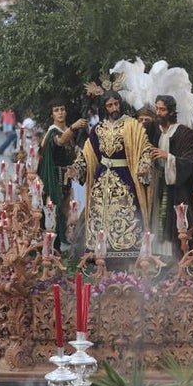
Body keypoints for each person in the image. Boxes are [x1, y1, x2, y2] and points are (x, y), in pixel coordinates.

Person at [68, 89, 152, 260]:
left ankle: (126, 255)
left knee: (124, 214)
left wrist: (144, 165)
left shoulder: (131, 125)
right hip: (102, 178)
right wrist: (77, 167)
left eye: (116, 104)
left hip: (124, 178)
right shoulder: (98, 128)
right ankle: (99, 253)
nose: (114, 108)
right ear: (104, 108)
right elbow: (88, 153)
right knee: (99, 214)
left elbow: (145, 148)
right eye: (109, 105)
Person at [142, 94, 193, 257]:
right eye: (157, 109)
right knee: (153, 220)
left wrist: (169, 157)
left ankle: (174, 259)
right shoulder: (151, 129)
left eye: (163, 110)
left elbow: (191, 162)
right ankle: (152, 257)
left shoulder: (184, 133)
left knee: (174, 223)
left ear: (172, 112)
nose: (158, 113)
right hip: (154, 184)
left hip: (176, 188)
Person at [39, 101, 85, 249]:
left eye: (62, 109)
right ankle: (52, 247)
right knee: (53, 210)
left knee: (65, 211)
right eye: (56, 110)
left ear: (66, 112)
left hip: (67, 177)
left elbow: (73, 151)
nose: (60, 112)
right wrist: (74, 127)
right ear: (52, 114)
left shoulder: (68, 131)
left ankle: (63, 244)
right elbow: (60, 141)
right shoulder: (53, 131)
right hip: (53, 178)